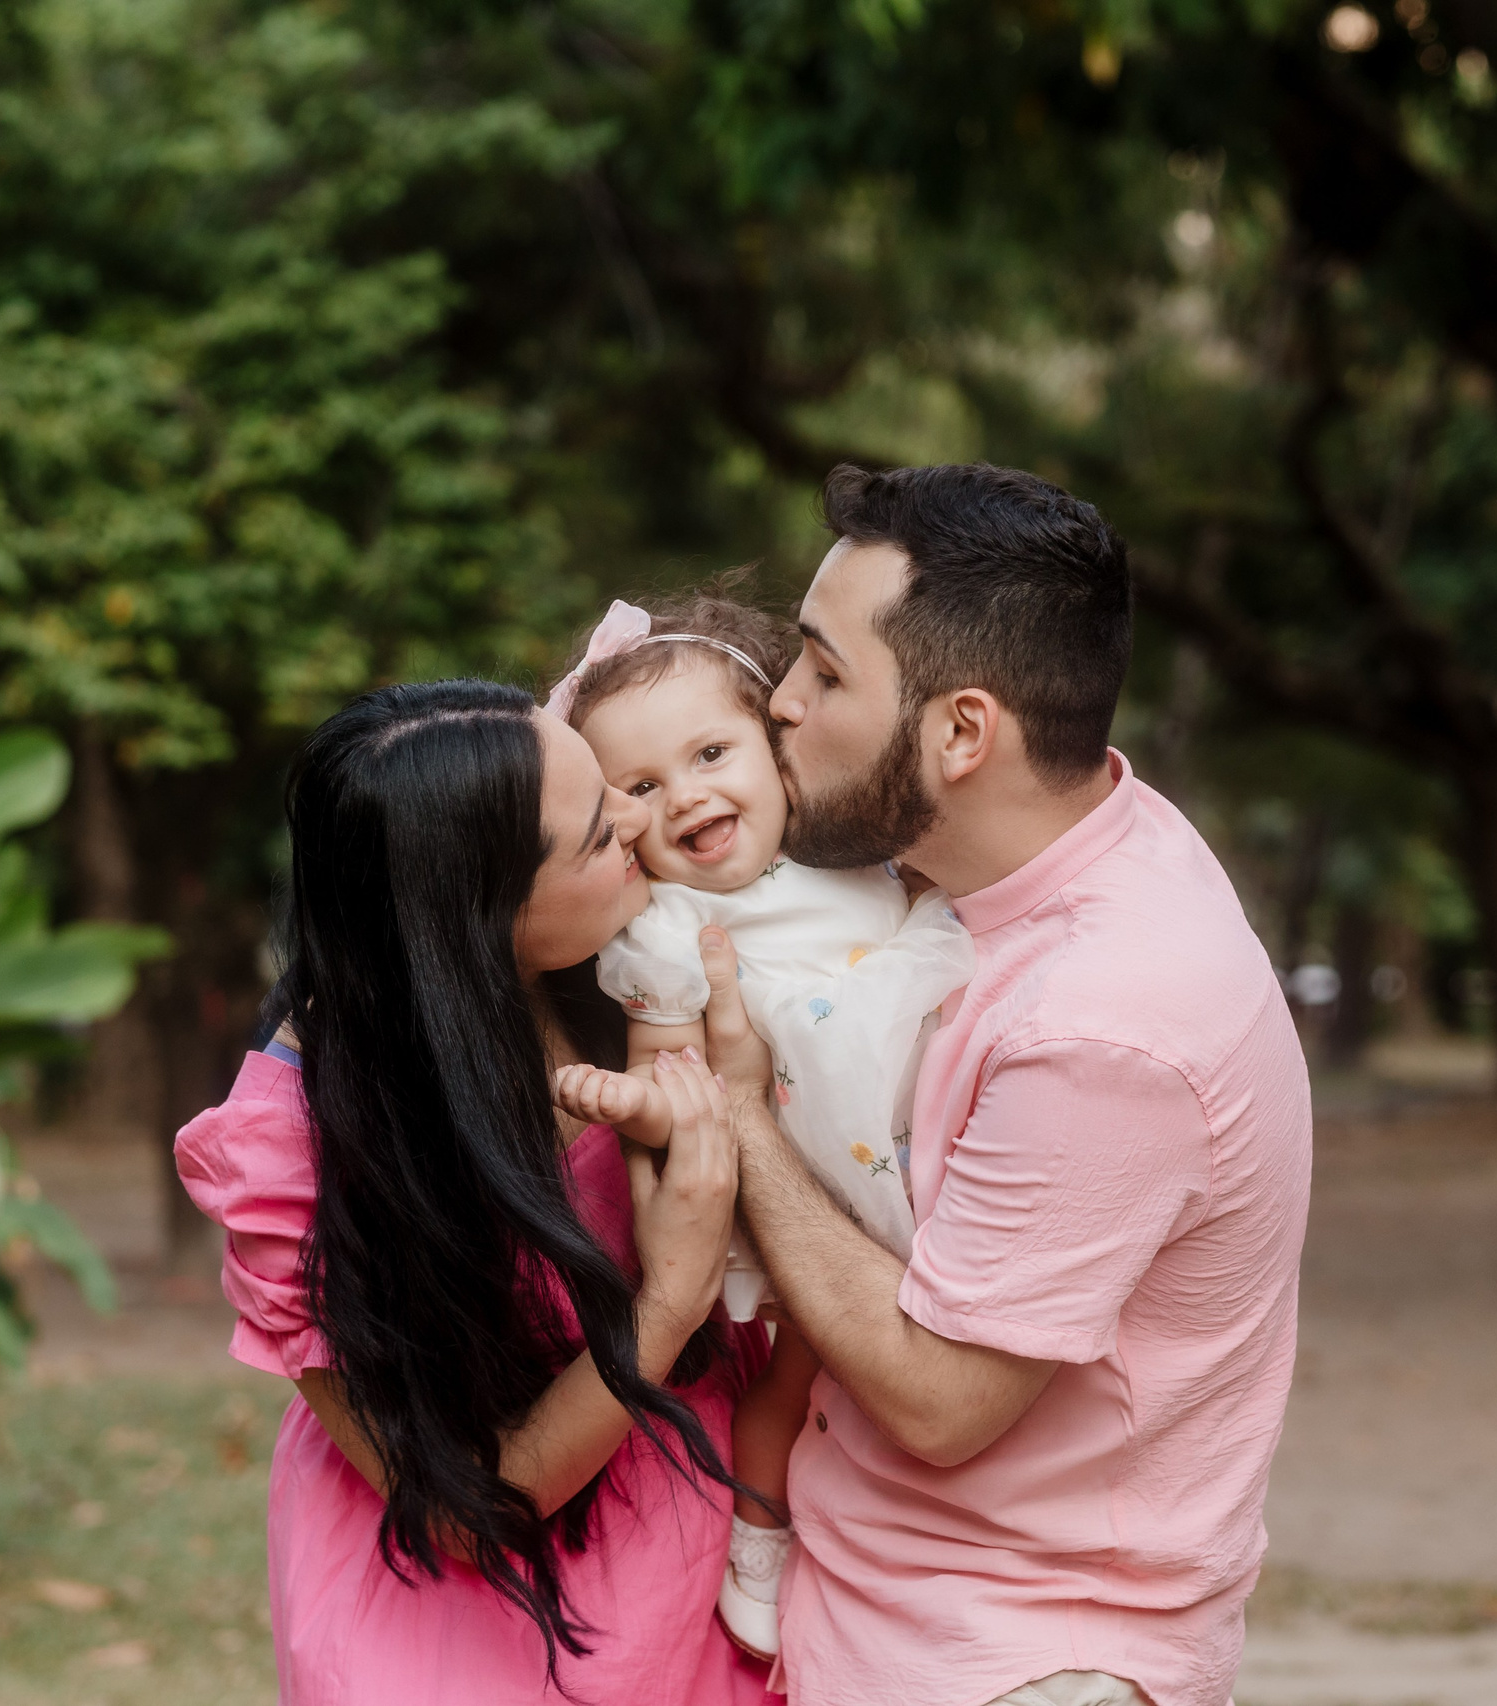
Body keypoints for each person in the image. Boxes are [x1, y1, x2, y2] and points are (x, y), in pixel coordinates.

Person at [702, 463, 1311, 1706]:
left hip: (1015, 1656)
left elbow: (942, 1397)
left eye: (824, 672)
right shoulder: (1078, 840)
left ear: (962, 732)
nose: (780, 703)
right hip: (896, 1618)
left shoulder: (1107, 1020)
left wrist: (735, 1115)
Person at [173, 677, 776, 1705]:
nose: (641, 817)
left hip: (691, 1547)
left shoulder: (630, 949)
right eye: (597, 831)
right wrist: (668, 1296)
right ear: (481, 920)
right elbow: (463, 1502)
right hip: (464, 1612)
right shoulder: (295, 1151)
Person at [542, 588, 975, 1661]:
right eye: (640, 785)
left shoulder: (859, 852)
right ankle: (761, 1529)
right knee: (793, 1378)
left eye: (709, 752)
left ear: (776, 747)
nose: (684, 793)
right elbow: (669, 1078)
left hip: (938, 1157)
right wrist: (628, 1097)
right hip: (809, 1195)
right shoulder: (668, 928)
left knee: (938, 1371)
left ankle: (929, 1556)